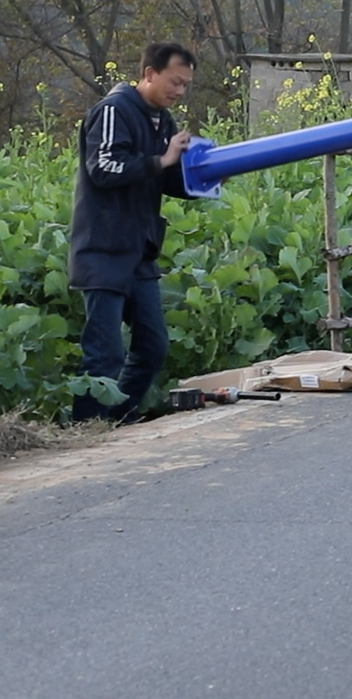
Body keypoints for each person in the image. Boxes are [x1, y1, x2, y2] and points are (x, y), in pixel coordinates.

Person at [68, 42, 197, 423]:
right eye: (175, 81)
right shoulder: (114, 110)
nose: (180, 91)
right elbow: (103, 167)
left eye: (186, 85)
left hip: (140, 251)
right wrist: (162, 159)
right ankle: (86, 428)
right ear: (149, 74)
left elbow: (165, 178)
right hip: (102, 250)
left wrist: (206, 178)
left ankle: (118, 417)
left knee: (153, 345)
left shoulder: (162, 121)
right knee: (104, 353)